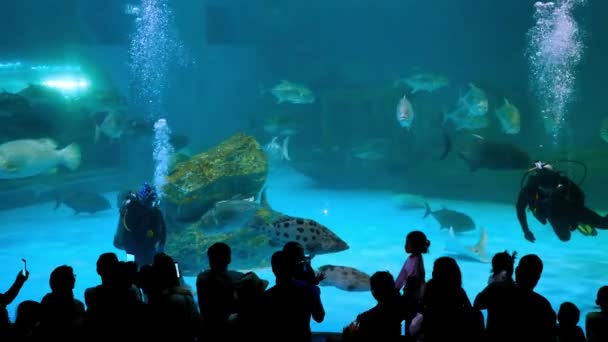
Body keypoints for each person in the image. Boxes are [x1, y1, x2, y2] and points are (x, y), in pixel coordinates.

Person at [516, 160, 608, 242]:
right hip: (555, 213)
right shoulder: (530, 188)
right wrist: (526, 231)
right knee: (565, 237)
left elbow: (579, 195)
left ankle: (580, 222)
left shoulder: (559, 179)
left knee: (604, 224)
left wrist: (576, 217)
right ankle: (579, 222)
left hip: (571, 208)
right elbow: (520, 208)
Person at [113, 182, 167, 267]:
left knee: (133, 266)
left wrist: (160, 246)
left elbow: (162, 229)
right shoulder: (134, 209)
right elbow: (131, 228)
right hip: (136, 248)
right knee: (136, 267)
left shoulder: (155, 212)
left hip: (136, 248)